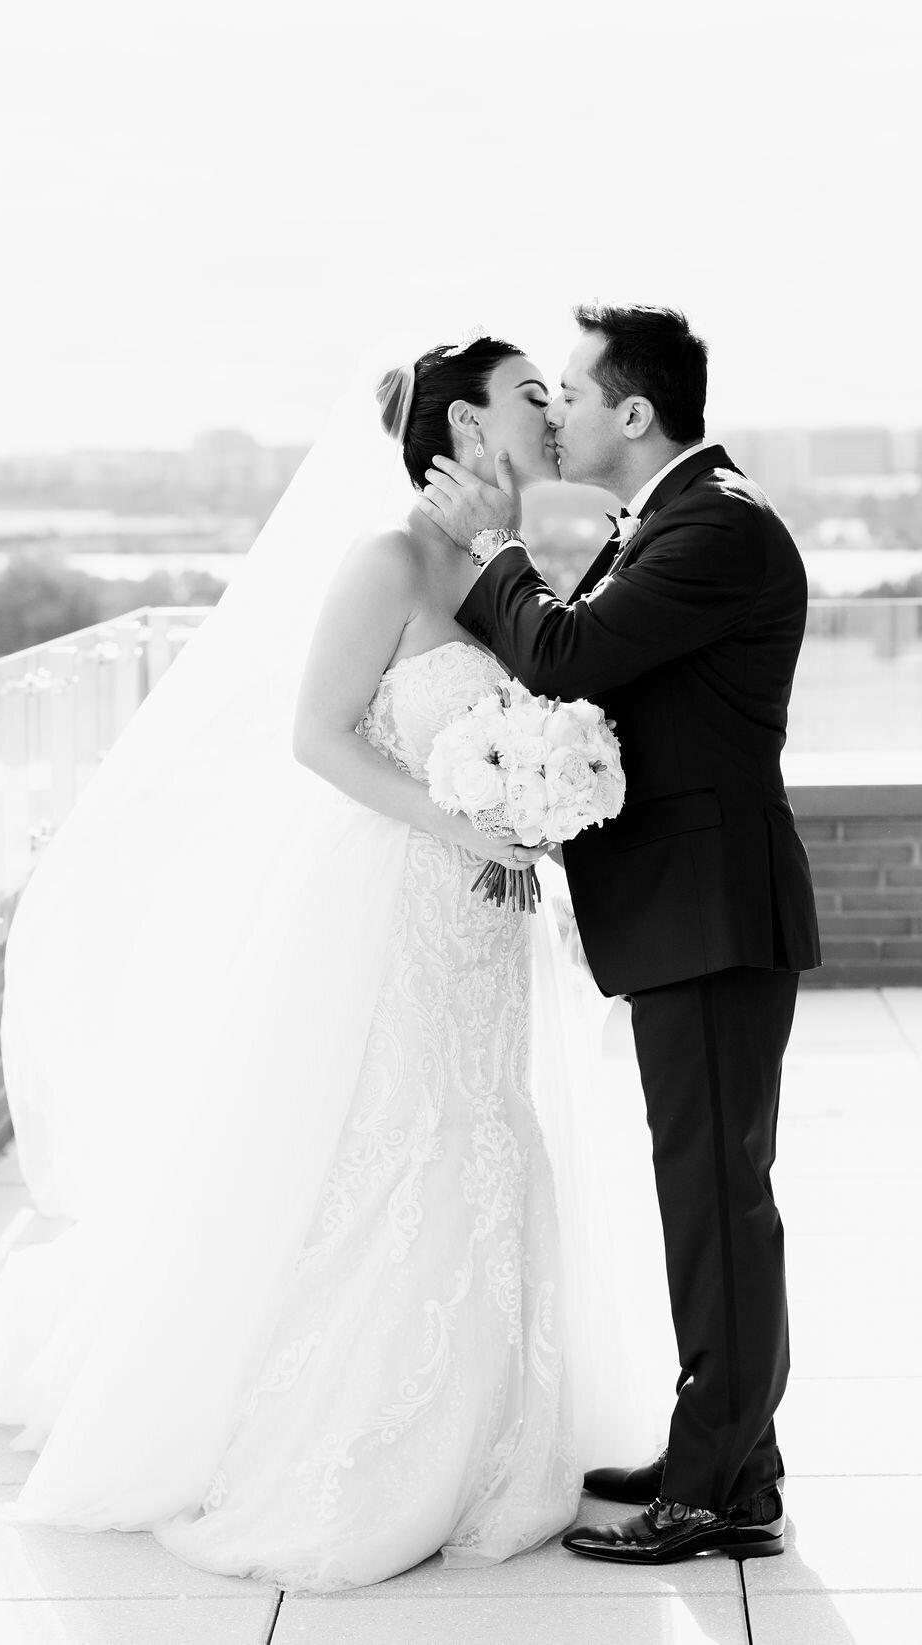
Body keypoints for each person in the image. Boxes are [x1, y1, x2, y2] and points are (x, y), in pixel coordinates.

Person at [0, 336, 665, 1591]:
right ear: (462, 425)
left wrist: (537, 795)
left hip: (487, 917)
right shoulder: (389, 558)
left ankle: (486, 1432)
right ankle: (360, 1438)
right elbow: (315, 736)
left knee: (486, 1131)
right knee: (391, 1138)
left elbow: (536, 705)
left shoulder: (502, 566)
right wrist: (466, 819)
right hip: (402, 896)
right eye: (528, 394)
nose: (553, 410)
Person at [418, 304, 821, 1565]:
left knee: (716, 1199)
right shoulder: (681, 520)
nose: (558, 417)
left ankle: (713, 1489)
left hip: (712, 915)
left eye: (574, 396)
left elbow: (567, 654)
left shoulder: (715, 528)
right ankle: (728, 1453)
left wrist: (489, 542)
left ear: (633, 414)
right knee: (705, 1193)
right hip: (693, 912)